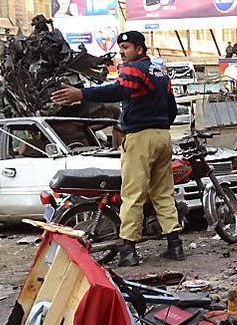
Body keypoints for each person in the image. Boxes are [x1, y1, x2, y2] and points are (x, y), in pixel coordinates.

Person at [51, 31, 181, 267]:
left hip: (140, 138)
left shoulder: (134, 69)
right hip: (163, 136)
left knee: (132, 194)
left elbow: (118, 90)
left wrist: (81, 94)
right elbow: (172, 108)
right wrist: (160, 124)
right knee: (163, 193)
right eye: (120, 47)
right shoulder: (160, 72)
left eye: (126, 47)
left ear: (139, 50)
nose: (122, 52)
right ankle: (175, 244)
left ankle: (129, 250)